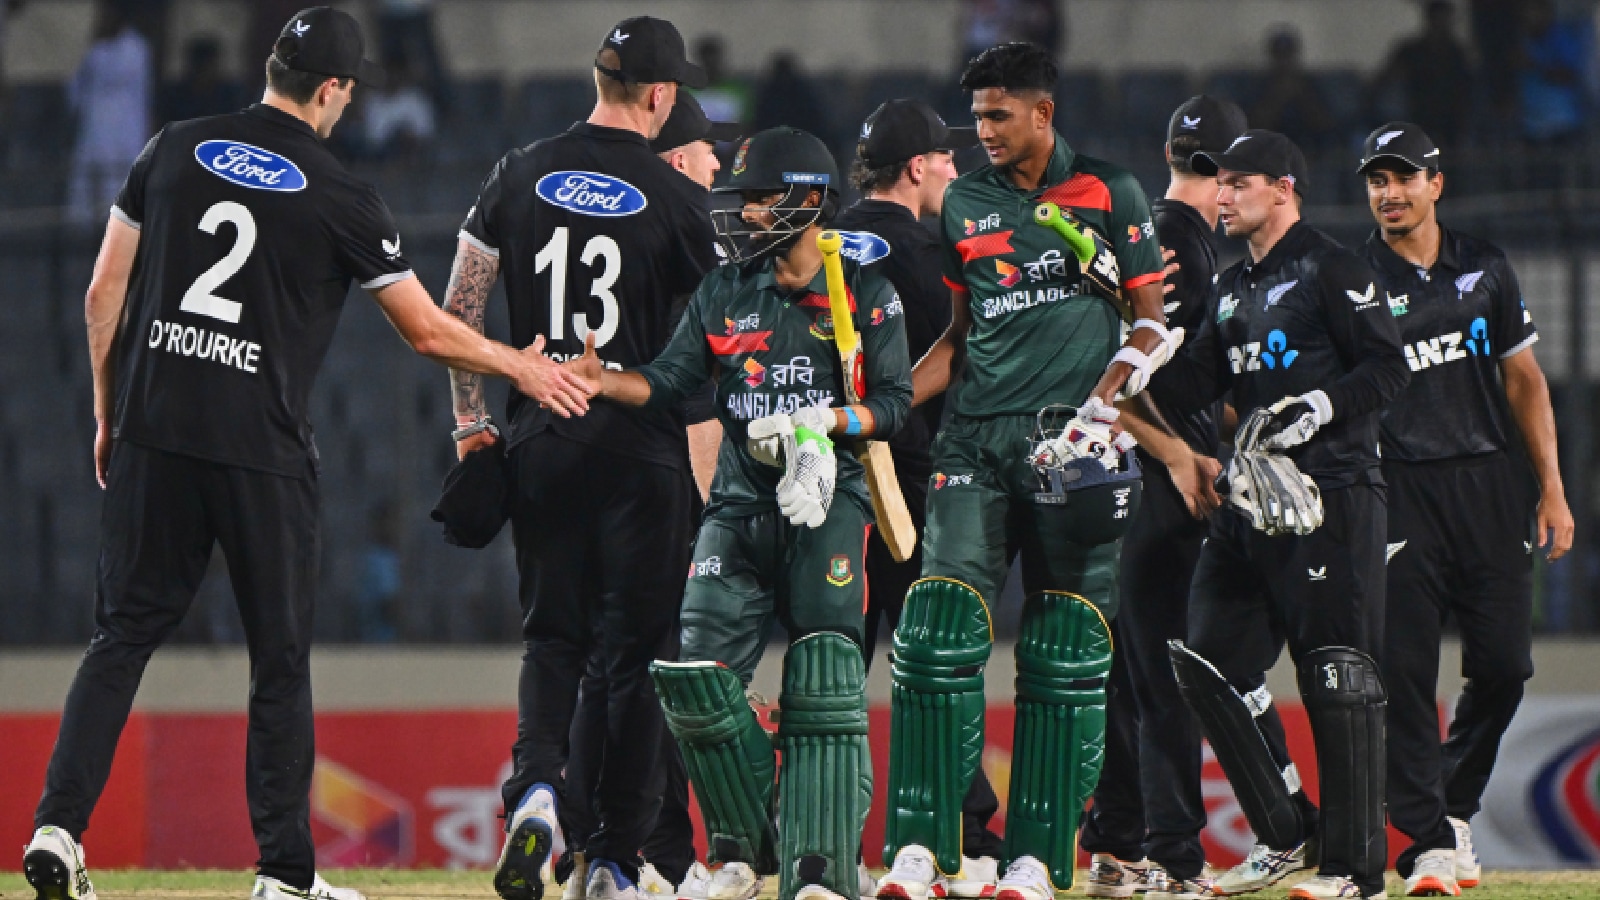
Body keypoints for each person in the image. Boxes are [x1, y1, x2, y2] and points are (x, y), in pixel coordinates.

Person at [20, 8, 585, 900]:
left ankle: (57, 828)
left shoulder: (171, 147)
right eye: (347, 93)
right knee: (278, 663)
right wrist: (521, 364)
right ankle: (284, 877)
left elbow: (101, 292)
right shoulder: (340, 193)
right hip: (262, 453)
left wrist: (106, 408)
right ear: (331, 90)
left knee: (120, 637)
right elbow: (426, 332)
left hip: (153, 435)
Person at [566, 125, 912, 900]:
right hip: (738, 504)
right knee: (696, 682)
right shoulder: (725, 290)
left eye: (762, 198)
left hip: (828, 502)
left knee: (824, 682)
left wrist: (827, 422)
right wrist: (604, 380)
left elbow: (893, 405)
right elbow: (669, 380)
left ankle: (822, 862)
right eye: (744, 197)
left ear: (812, 199)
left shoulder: (865, 292)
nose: (747, 212)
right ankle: (742, 854)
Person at [878, 41, 1181, 900]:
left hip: (1070, 449)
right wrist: (882, 406)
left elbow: (1152, 323)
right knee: (935, 634)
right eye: (976, 116)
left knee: (1063, 650)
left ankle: (1036, 863)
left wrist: (1103, 403)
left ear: (1044, 113)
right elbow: (961, 337)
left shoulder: (1112, 192)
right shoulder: (963, 202)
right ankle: (924, 849)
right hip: (972, 443)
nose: (983, 131)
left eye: (998, 115)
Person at [436, 16, 716, 900]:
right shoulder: (676, 198)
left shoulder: (516, 171)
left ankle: (536, 794)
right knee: (635, 661)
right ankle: (612, 861)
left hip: (542, 441)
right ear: (662, 96)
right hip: (642, 454)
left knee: (553, 642)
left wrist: (472, 422)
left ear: (598, 79)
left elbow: (458, 308)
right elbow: (722, 331)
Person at [1142, 129, 1410, 900]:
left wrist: (1323, 403)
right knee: (1207, 660)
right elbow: (1194, 384)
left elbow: (1388, 366)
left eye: (1237, 183)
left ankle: (1357, 872)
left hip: (1332, 494)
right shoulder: (1233, 287)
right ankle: (1287, 829)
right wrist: (1131, 366)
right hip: (1251, 499)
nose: (1221, 197)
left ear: (1283, 188)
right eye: (1217, 184)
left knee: (1337, 676)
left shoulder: (1334, 266)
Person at [1356, 122, 1572, 897]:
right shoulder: (1353, 281)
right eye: (1377, 181)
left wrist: (1552, 486)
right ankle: (1427, 845)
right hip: (1399, 491)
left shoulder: (1486, 267)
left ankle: (1449, 807)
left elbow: (1526, 381)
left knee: (1506, 666)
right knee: (1406, 674)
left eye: (1403, 178)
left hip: (1489, 486)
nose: (1390, 193)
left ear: (1435, 184)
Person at [558, 90, 743, 900]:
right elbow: (698, 399)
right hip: (655, 481)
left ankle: (586, 841)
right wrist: (715, 515)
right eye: (707, 152)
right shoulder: (685, 239)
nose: (718, 167)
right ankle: (652, 854)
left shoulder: (613, 234)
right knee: (653, 671)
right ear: (673, 158)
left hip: (576, 465)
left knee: (604, 668)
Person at [831, 98, 1007, 900]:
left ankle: (815, 839)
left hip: (824, 482)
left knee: (829, 667)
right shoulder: (935, 251)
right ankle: (962, 837)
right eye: (945, 158)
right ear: (915, 169)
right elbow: (964, 355)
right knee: (934, 662)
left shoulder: (818, 241)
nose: (955, 169)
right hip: (907, 480)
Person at [1080, 95, 1245, 900]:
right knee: (1168, 674)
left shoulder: (1150, 230)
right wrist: (1179, 453)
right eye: (1238, 176)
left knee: (1131, 674)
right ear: (1221, 172)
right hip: (1157, 480)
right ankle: (1175, 857)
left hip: (1125, 478)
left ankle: (1115, 842)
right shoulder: (1179, 242)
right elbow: (1114, 372)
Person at [66, 2, 151, 223]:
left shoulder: (136, 48)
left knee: (117, 181)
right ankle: (82, 228)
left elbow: (131, 86)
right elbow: (76, 87)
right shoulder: (93, 48)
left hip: (124, 125)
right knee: (86, 180)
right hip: (94, 123)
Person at [1369, 1, 1472, 146]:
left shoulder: (1456, 54)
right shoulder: (1412, 51)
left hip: (1450, 117)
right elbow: (1386, 77)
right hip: (1417, 112)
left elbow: (1466, 86)